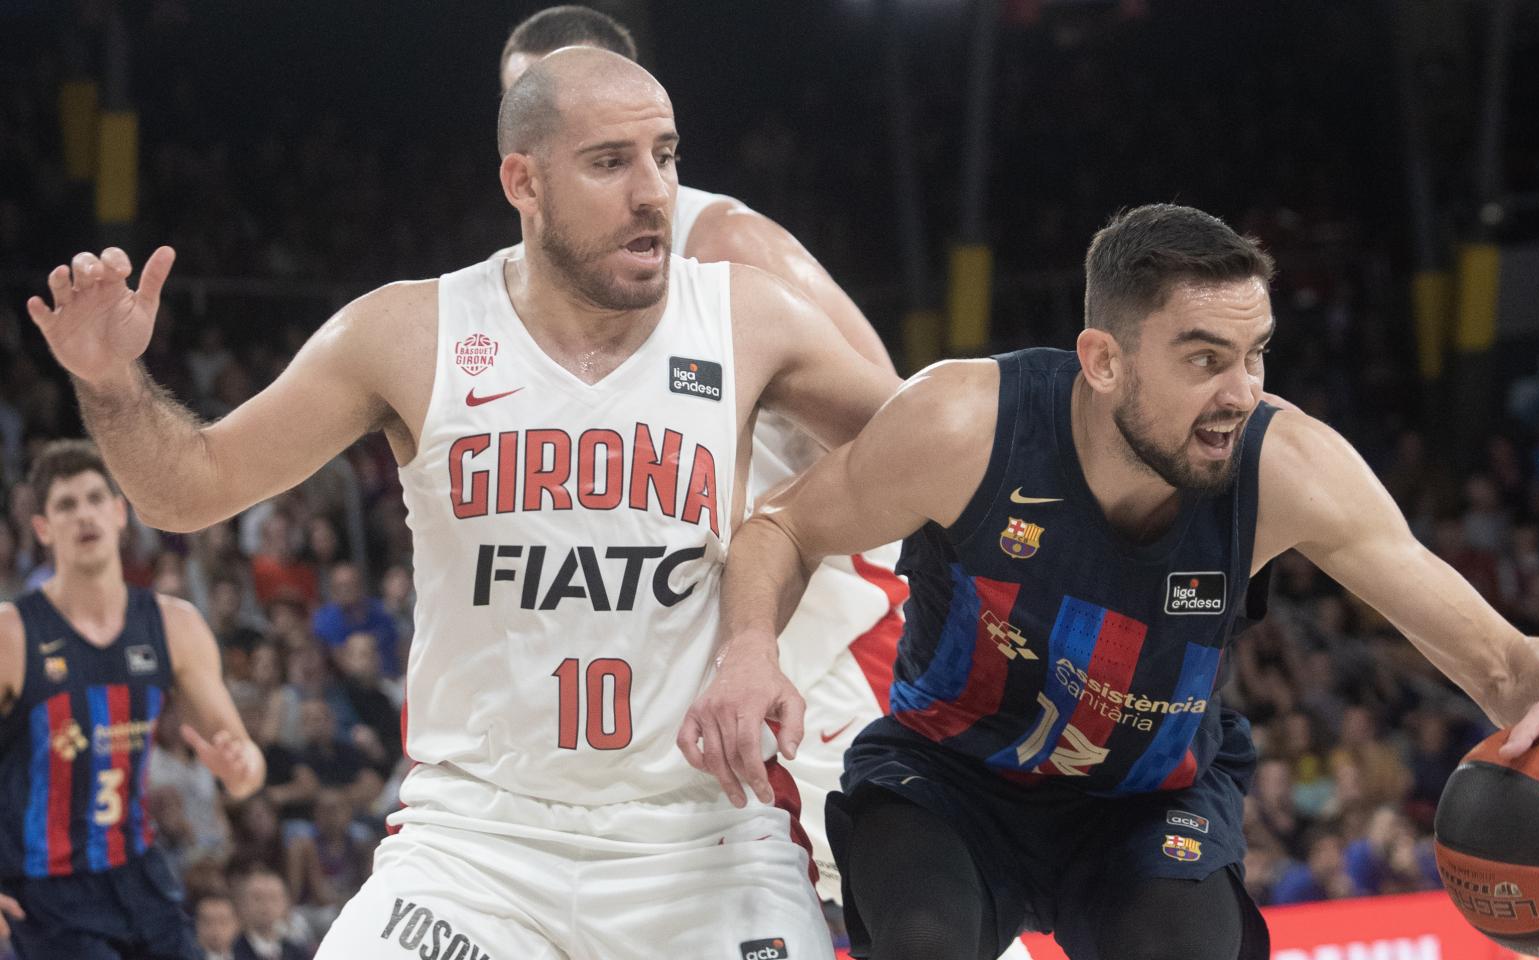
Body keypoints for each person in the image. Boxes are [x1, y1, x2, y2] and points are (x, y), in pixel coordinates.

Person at [26, 45, 897, 960]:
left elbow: (935, 456)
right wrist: (113, 383)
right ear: (523, 182)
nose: (654, 193)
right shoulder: (411, 332)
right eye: (611, 162)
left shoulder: (746, 316)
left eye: (666, 156)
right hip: (480, 843)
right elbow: (189, 490)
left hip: (704, 836)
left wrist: (779, 557)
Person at [682, 203, 1539, 959]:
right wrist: (748, 649)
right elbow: (783, 523)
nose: (1238, 392)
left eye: (1251, 356)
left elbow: (1502, 667)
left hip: (1139, 807)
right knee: (922, 942)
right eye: (1203, 358)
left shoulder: (1285, 469)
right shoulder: (965, 425)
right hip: (946, 782)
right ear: (1103, 360)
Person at [496, 5, 909, 909]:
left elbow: (903, 442)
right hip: (691, 653)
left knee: (892, 900)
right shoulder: (537, 282)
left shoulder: (727, 246)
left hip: (825, 634)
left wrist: (775, 536)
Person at [0, 440, 264, 960]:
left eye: (96, 498)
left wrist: (238, 769)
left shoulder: (176, 625)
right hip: (44, 891)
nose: (85, 515)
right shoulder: (12, 636)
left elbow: (248, 765)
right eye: (66, 505)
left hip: (140, 873)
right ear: (43, 529)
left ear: (120, 514)